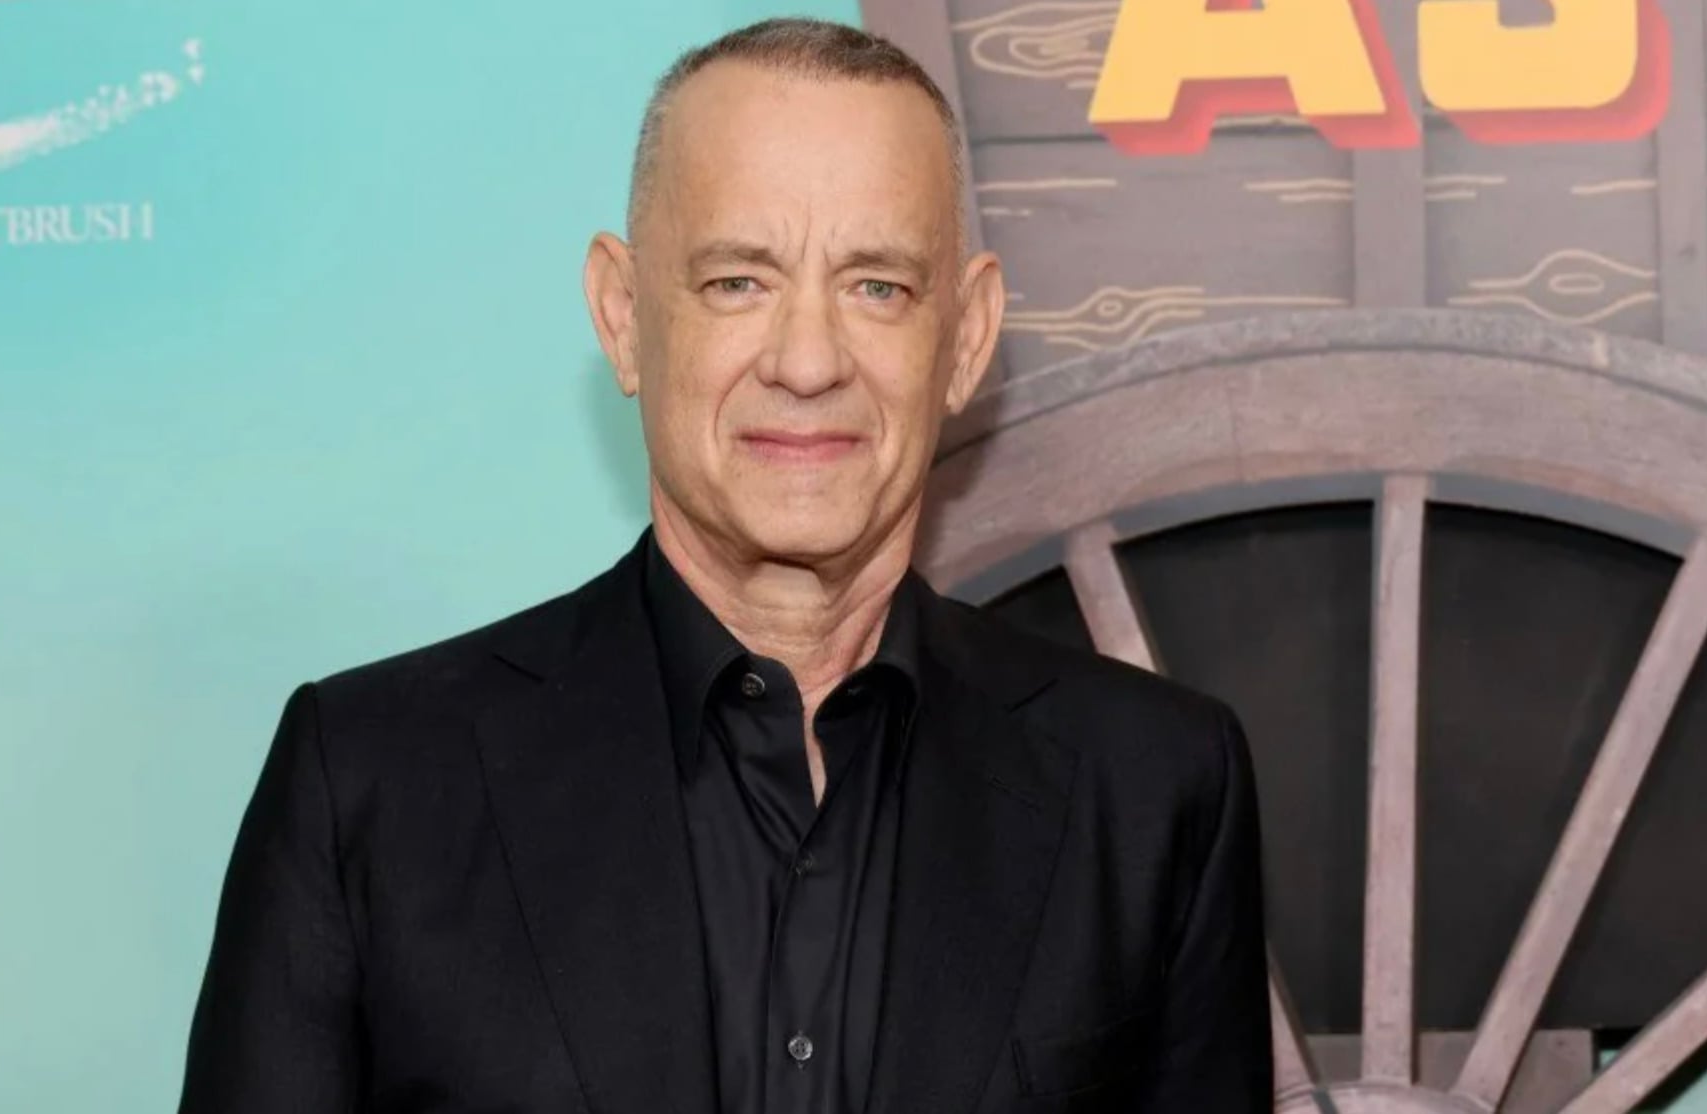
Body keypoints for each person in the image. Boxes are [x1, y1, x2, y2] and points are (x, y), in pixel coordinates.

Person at [177, 17, 1271, 1113]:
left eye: (877, 285)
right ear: (622, 315)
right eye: (739, 281)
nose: (807, 361)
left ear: (969, 336)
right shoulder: (369, 785)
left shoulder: (1153, 790)